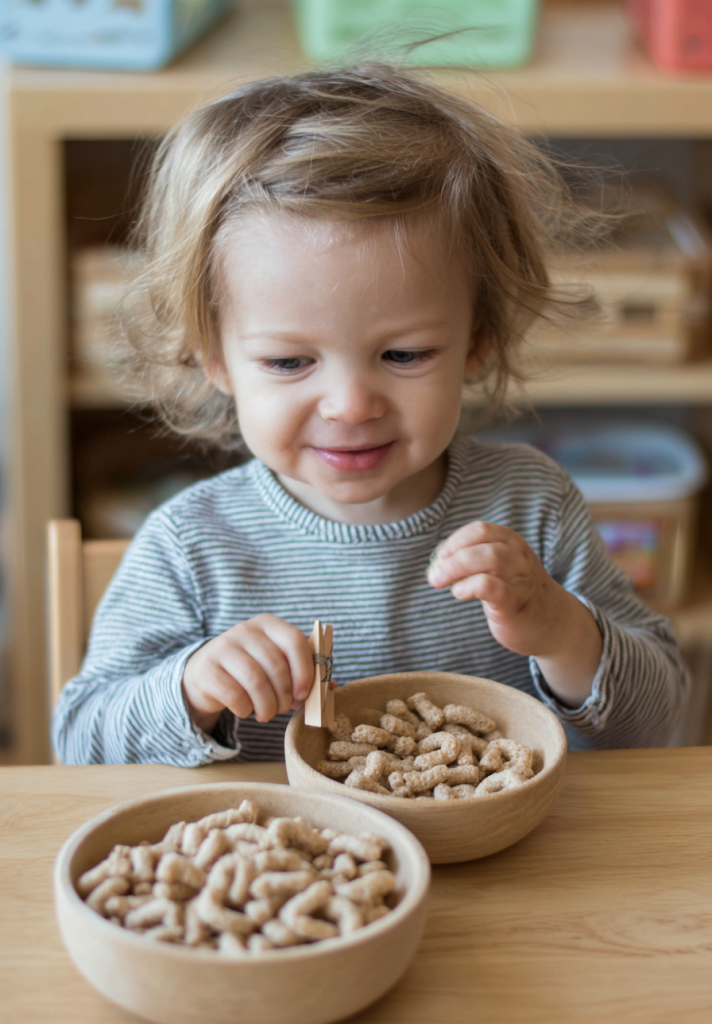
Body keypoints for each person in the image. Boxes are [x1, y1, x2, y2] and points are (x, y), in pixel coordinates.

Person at [53, 64, 688, 765]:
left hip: (503, 863)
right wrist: (191, 689)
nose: (351, 406)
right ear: (215, 357)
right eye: (290, 363)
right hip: (295, 869)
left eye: (405, 354)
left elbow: (658, 724)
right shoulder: (191, 545)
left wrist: (561, 630)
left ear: (476, 340)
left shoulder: (529, 507)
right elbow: (81, 745)